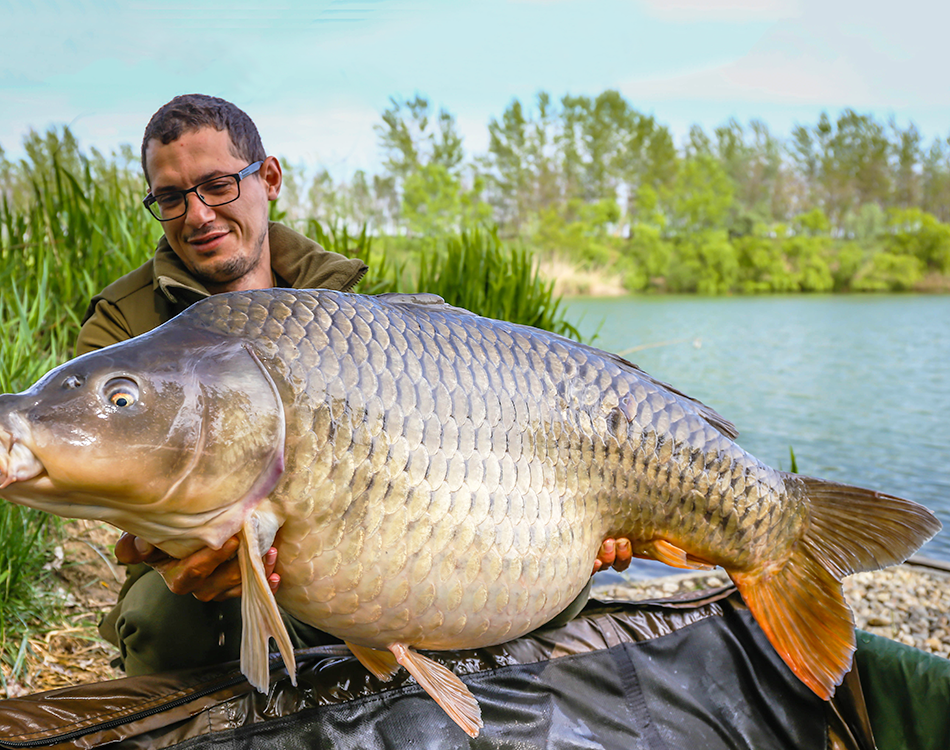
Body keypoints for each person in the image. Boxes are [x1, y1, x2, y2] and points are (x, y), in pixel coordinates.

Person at [79, 93, 631, 677]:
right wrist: (187, 546)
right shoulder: (124, 323)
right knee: (162, 623)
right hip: (204, 580)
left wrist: (564, 524)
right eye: (170, 198)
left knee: (554, 586)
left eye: (218, 185)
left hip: (361, 543)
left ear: (268, 179)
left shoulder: (347, 308)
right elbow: (104, 468)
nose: (197, 215)